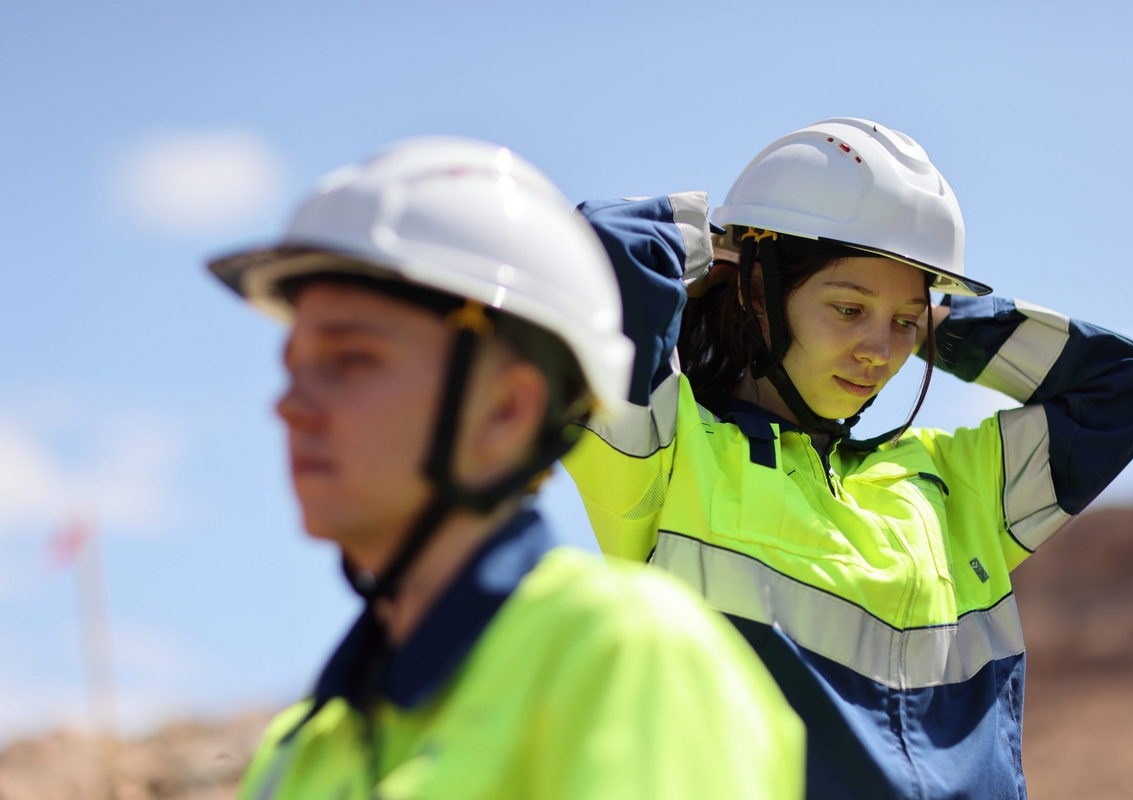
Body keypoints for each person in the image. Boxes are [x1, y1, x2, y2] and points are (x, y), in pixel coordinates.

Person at [563, 117, 1133, 799]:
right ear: (757, 293)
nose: (879, 353)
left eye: (902, 325)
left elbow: (1132, 383)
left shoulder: (955, 483)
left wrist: (940, 326)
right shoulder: (665, 452)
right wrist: (725, 247)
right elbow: (592, 257)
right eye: (848, 309)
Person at [207, 136, 804, 800]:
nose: (290, 406)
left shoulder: (625, 655)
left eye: (351, 360)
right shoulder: (304, 745)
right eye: (295, 366)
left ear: (508, 410)